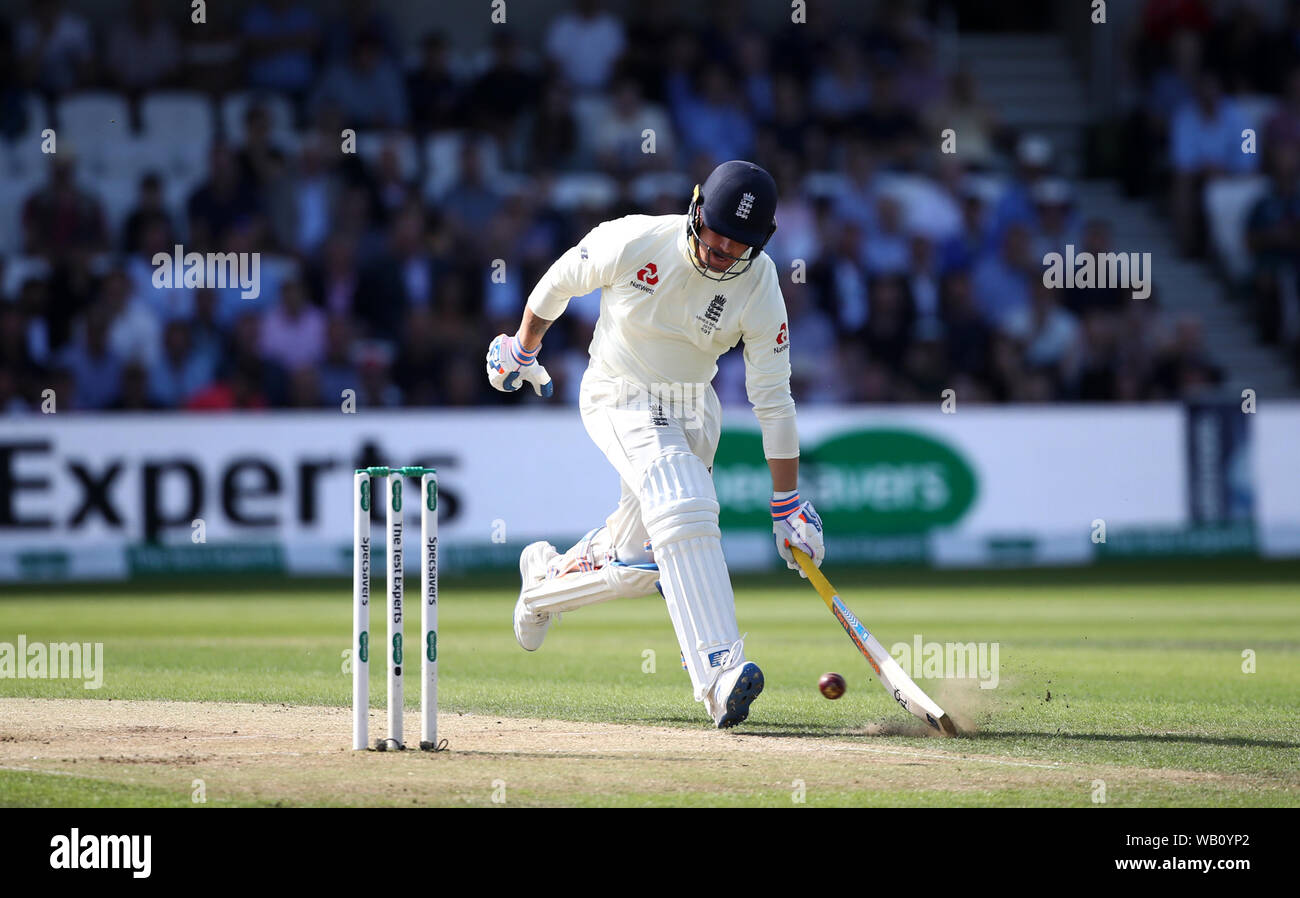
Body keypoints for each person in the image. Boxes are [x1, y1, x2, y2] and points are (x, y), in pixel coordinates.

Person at [484, 160, 825, 728]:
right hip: (619, 391)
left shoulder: (761, 283)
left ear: (759, 244)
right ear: (694, 210)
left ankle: (541, 587)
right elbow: (560, 281)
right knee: (683, 496)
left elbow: (773, 398)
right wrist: (523, 347)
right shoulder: (637, 237)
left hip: (693, 406)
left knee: (643, 561)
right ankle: (719, 674)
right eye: (713, 232)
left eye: (737, 245)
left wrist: (787, 502)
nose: (720, 249)